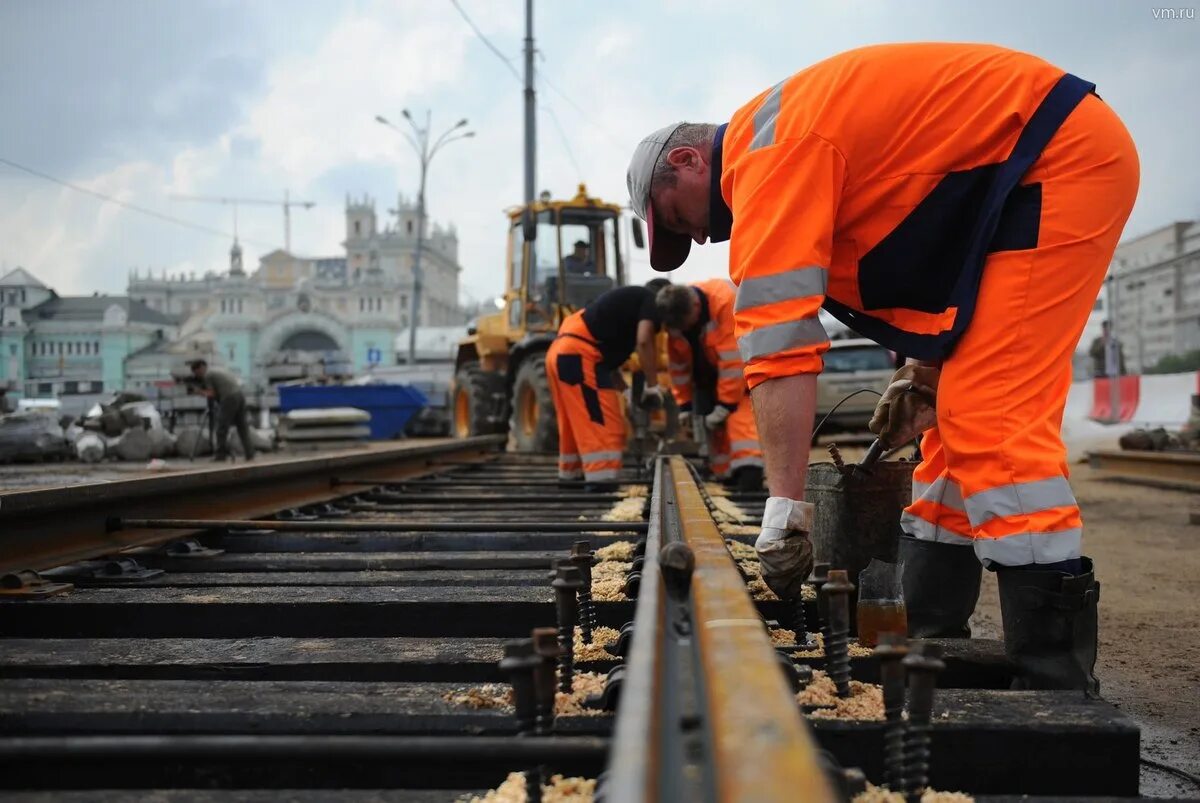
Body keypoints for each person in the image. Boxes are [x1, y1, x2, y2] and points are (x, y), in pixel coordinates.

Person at [626, 43, 1139, 691]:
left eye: (679, 218)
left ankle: (1055, 677)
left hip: (1054, 159)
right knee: (955, 431)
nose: (700, 238)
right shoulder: (779, 140)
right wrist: (924, 371)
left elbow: (780, 343)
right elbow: (934, 242)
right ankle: (934, 640)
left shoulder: (769, 157)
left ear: (688, 159)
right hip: (1017, 176)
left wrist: (784, 511)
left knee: (992, 417)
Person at [546, 284, 665, 484]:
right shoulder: (651, 300)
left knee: (574, 422)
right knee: (603, 420)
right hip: (578, 355)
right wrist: (653, 386)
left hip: (560, 353)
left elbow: (608, 363)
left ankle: (572, 475)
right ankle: (602, 478)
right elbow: (644, 341)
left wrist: (626, 392)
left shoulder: (615, 318)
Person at [656, 280, 764, 490]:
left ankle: (749, 473)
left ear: (696, 307)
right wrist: (684, 404)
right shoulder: (675, 322)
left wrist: (726, 404)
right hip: (708, 378)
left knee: (739, 420)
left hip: (741, 374)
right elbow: (678, 368)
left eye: (687, 323)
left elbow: (733, 360)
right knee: (713, 429)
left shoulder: (725, 301)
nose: (685, 329)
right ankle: (724, 476)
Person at [188, 359, 255, 462]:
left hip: (229, 398)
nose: (197, 375)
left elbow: (211, 394)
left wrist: (198, 392)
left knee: (221, 428)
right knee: (242, 427)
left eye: (196, 372)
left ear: (201, 368)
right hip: (239, 395)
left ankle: (221, 455)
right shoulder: (216, 370)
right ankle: (250, 454)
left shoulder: (208, 375)